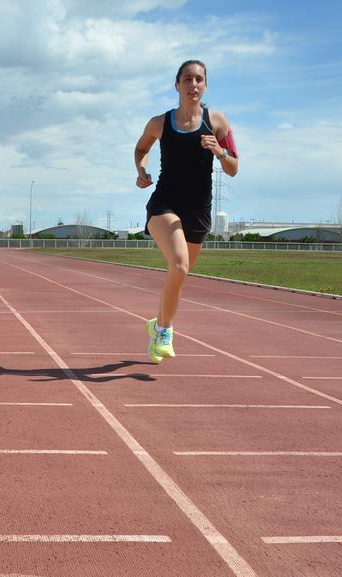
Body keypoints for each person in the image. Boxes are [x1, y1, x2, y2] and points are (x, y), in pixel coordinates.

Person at [133, 60, 239, 363]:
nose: (193, 84)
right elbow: (141, 148)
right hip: (164, 204)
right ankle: (164, 331)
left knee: (178, 276)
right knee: (178, 265)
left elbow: (234, 167)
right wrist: (142, 170)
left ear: (205, 86)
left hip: (199, 210)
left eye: (199, 80)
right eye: (187, 79)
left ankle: (157, 323)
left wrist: (220, 152)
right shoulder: (160, 122)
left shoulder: (217, 121)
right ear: (177, 85)